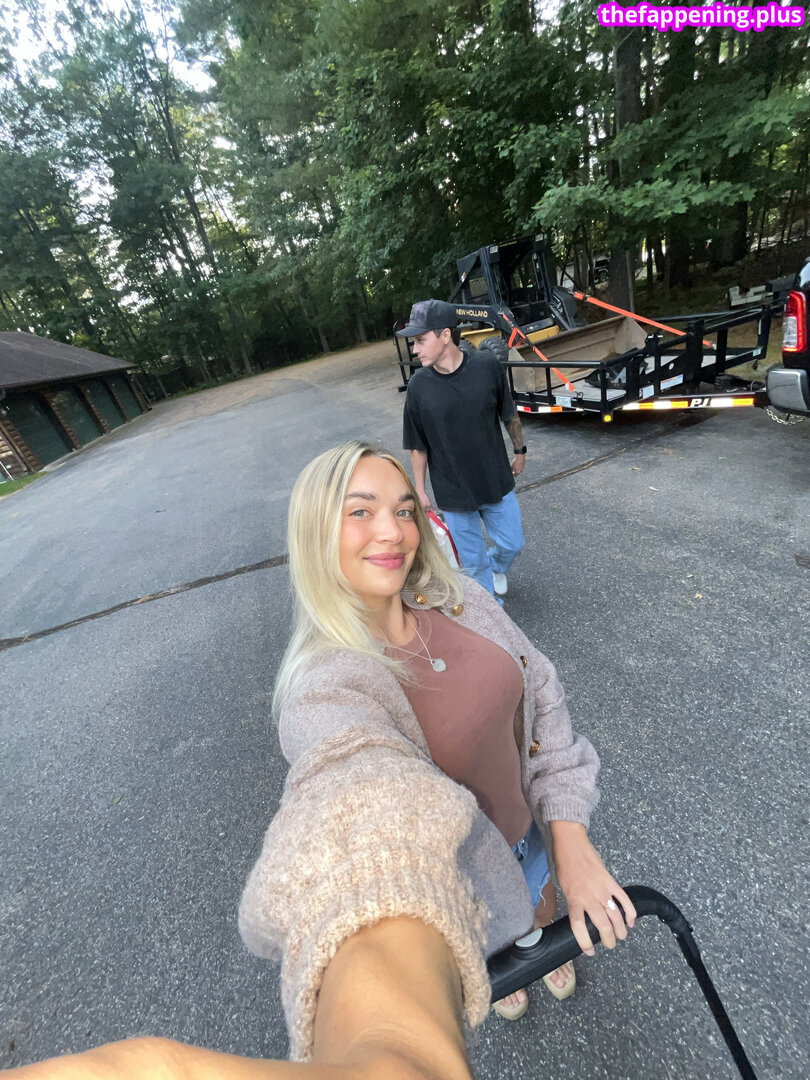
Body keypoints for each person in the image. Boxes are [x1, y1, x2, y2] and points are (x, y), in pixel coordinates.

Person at [9, 441, 635, 1078]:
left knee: (539, 913)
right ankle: (506, 964)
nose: (393, 532)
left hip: (532, 839)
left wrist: (569, 838)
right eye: (360, 512)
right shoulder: (324, 690)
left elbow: (540, 688)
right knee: (494, 937)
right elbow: (356, 804)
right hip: (457, 881)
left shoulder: (458, 598)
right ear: (315, 533)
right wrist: (386, 1048)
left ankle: (535, 942)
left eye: (404, 510)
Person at [398, 299, 527, 599]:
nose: (415, 349)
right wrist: (420, 489)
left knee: (513, 543)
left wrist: (520, 452)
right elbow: (417, 443)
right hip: (453, 493)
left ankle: (497, 566)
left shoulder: (486, 366)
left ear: (445, 335)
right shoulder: (418, 386)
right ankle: (492, 614)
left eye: (420, 340)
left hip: (495, 480)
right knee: (473, 564)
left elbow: (508, 413)